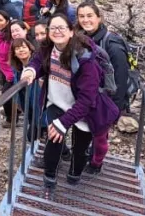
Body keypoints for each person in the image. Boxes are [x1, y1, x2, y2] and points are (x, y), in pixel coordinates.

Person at [19, 15, 120, 196]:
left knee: (80, 148)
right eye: (53, 28)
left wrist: (63, 122)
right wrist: (31, 71)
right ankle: (49, 181)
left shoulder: (86, 59)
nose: (57, 32)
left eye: (61, 28)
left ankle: (74, 177)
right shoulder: (48, 48)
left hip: (84, 109)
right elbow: (38, 61)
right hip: (57, 101)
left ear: (71, 31)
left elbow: (87, 100)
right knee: (53, 139)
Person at [76, 2, 134, 114]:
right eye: (81, 16)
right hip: (88, 100)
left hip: (105, 103)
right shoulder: (83, 39)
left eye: (89, 15)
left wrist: (113, 112)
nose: (85, 20)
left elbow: (120, 80)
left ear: (98, 18)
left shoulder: (112, 45)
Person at [0, 9, 17, 122]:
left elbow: (14, 58)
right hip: (4, 72)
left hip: (12, 73)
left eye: (1, 20)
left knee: (5, 95)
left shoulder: (11, 37)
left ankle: (11, 119)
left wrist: (11, 75)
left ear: (6, 22)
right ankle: (15, 112)